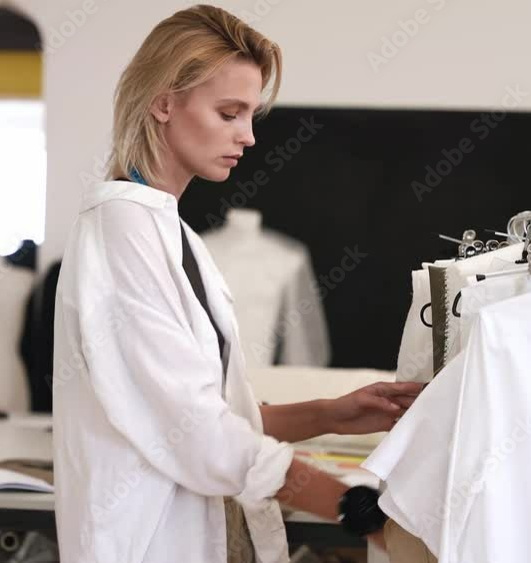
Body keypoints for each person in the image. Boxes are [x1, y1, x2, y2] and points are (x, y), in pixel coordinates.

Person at [52, 5, 423, 562]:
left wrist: (329, 414)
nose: (248, 136)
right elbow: (195, 433)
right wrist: (354, 508)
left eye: (251, 115)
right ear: (163, 102)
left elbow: (216, 414)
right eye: (229, 113)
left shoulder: (170, 233)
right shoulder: (121, 233)